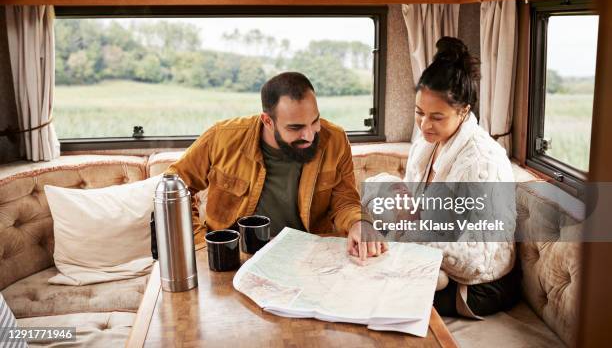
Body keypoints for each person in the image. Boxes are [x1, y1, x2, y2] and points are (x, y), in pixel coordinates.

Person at [363, 37, 520, 317]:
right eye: (419, 112)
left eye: (437, 117)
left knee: (379, 292)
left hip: (480, 283)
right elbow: (418, 213)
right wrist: (402, 207)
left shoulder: (482, 162)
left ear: (464, 111)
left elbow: (476, 259)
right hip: (431, 250)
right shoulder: (427, 143)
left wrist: (407, 230)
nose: (424, 124)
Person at [166, 71, 387, 261]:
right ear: (268, 121)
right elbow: (172, 185)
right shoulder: (222, 137)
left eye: (315, 121)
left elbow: (344, 200)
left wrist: (360, 222)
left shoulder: (335, 139)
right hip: (236, 259)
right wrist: (200, 243)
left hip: (308, 258)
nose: (310, 135)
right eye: (296, 128)